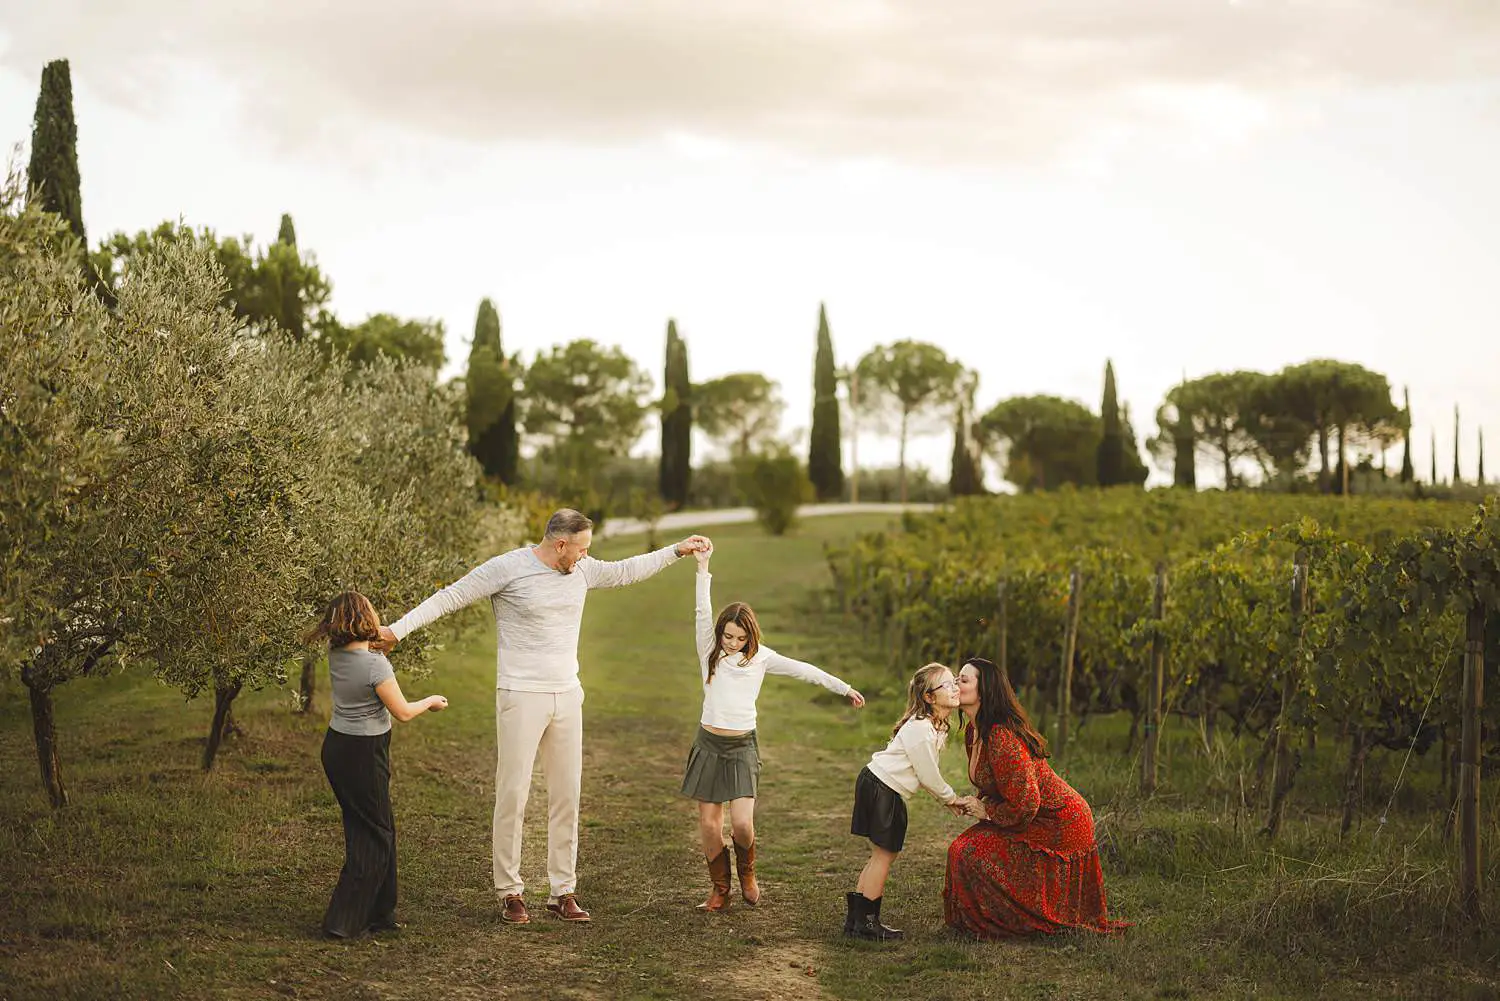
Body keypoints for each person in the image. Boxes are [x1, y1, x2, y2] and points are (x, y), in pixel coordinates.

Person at [374, 508, 708, 925]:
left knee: (567, 793)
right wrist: (396, 630)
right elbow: (450, 597)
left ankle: (562, 891)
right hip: (520, 694)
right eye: (582, 548)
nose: (588, 556)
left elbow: (626, 571)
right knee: (513, 793)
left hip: (568, 695)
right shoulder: (508, 568)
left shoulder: (582, 570)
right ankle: (510, 891)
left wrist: (677, 550)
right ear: (560, 544)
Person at [684, 543, 865, 911]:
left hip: (741, 747)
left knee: (742, 825)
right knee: (708, 825)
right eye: (728, 636)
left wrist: (843, 687)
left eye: (740, 638)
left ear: (751, 636)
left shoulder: (762, 659)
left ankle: (747, 872)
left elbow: (805, 670)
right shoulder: (709, 650)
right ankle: (720, 889)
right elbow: (703, 609)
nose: (733, 644)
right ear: (720, 633)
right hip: (709, 744)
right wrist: (703, 568)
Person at [943, 657, 1128, 939]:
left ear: (985, 691)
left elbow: (1027, 802)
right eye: (956, 679)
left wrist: (987, 811)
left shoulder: (1002, 737)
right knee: (963, 847)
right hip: (1030, 813)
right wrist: (977, 803)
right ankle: (984, 921)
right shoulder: (973, 730)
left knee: (966, 851)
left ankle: (1010, 923)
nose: (956, 685)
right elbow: (998, 783)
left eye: (963, 680)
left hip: (1059, 822)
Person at [307, 591, 449, 940]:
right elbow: (401, 712)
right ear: (365, 620)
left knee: (372, 827)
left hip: (338, 747)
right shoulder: (374, 665)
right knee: (375, 834)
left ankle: (380, 911)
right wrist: (430, 700)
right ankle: (343, 922)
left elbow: (367, 647)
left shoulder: (337, 653)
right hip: (363, 752)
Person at [843, 662, 965, 940]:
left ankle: (858, 919)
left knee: (881, 855)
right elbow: (928, 775)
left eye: (955, 681)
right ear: (929, 697)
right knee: (884, 855)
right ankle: (868, 924)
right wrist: (952, 799)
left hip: (881, 786)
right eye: (947, 685)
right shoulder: (921, 729)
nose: (955, 688)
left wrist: (948, 799)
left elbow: (926, 775)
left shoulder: (934, 726)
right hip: (881, 787)